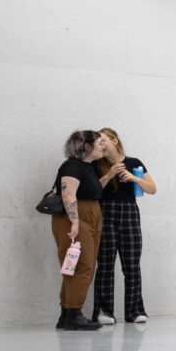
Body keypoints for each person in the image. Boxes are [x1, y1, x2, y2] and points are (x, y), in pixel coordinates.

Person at [89, 128, 155, 325]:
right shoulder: (95, 164)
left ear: (115, 141)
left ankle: (135, 311)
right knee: (105, 264)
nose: (101, 145)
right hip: (105, 213)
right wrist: (109, 175)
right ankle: (104, 311)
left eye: (103, 141)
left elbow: (152, 189)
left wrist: (133, 177)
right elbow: (92, 191)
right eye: (98, 142)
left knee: (132, 265)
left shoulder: (134, 162)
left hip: (129, 213)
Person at [49, 130, 105, 331]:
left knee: (78, 265)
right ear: (87, 146)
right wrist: (74, 222)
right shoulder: (72, 165)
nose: (103, 146)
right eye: (99, 143)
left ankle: (66, 315)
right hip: (76, 218)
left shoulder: (88, 167)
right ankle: (73, 314)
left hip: (91, 215)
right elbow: (68, 194)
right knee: (81, 266)